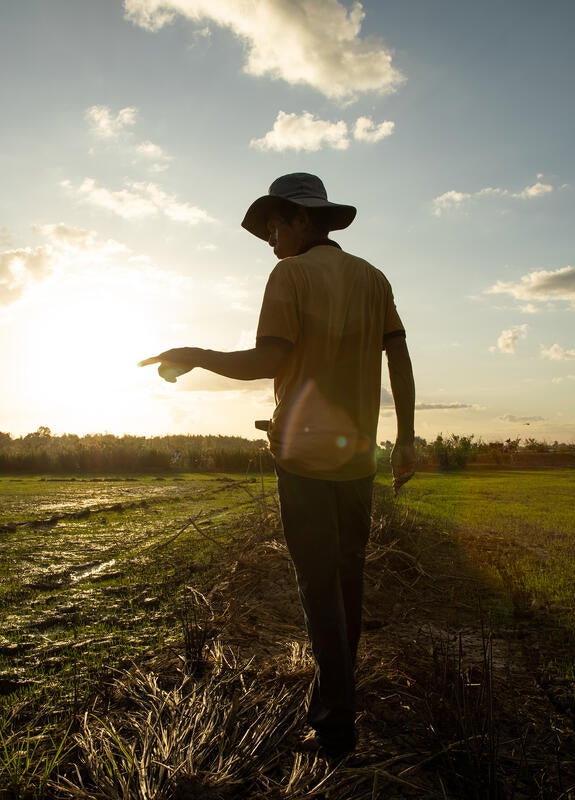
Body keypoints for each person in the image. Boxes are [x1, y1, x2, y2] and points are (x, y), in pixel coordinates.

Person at [140, 172, 417, 761]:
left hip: (303, 458)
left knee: (321, 593)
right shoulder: (374, 278)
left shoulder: (289, 274)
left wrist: (195, 355)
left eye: (272, 225)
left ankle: (336, 729)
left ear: (299, 219)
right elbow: (399, 355)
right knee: (347, 587)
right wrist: (409, 439)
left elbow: (269, 360)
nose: (268, 238)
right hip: (360, 459)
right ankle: (336, 704)